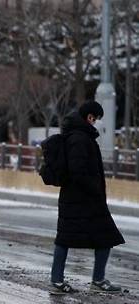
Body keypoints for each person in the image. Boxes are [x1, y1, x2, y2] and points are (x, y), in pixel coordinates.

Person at [50, 101, 125, 294]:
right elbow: (78, 171)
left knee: (70, 238)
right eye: (95, 118)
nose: (96, 122)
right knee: (105, 236)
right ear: (89, 117)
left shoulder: (77, 136)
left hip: (76, 198)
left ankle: (61, 280)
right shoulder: (79, 139)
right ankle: (92, 280)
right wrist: (94, 189)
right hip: (83, 199)